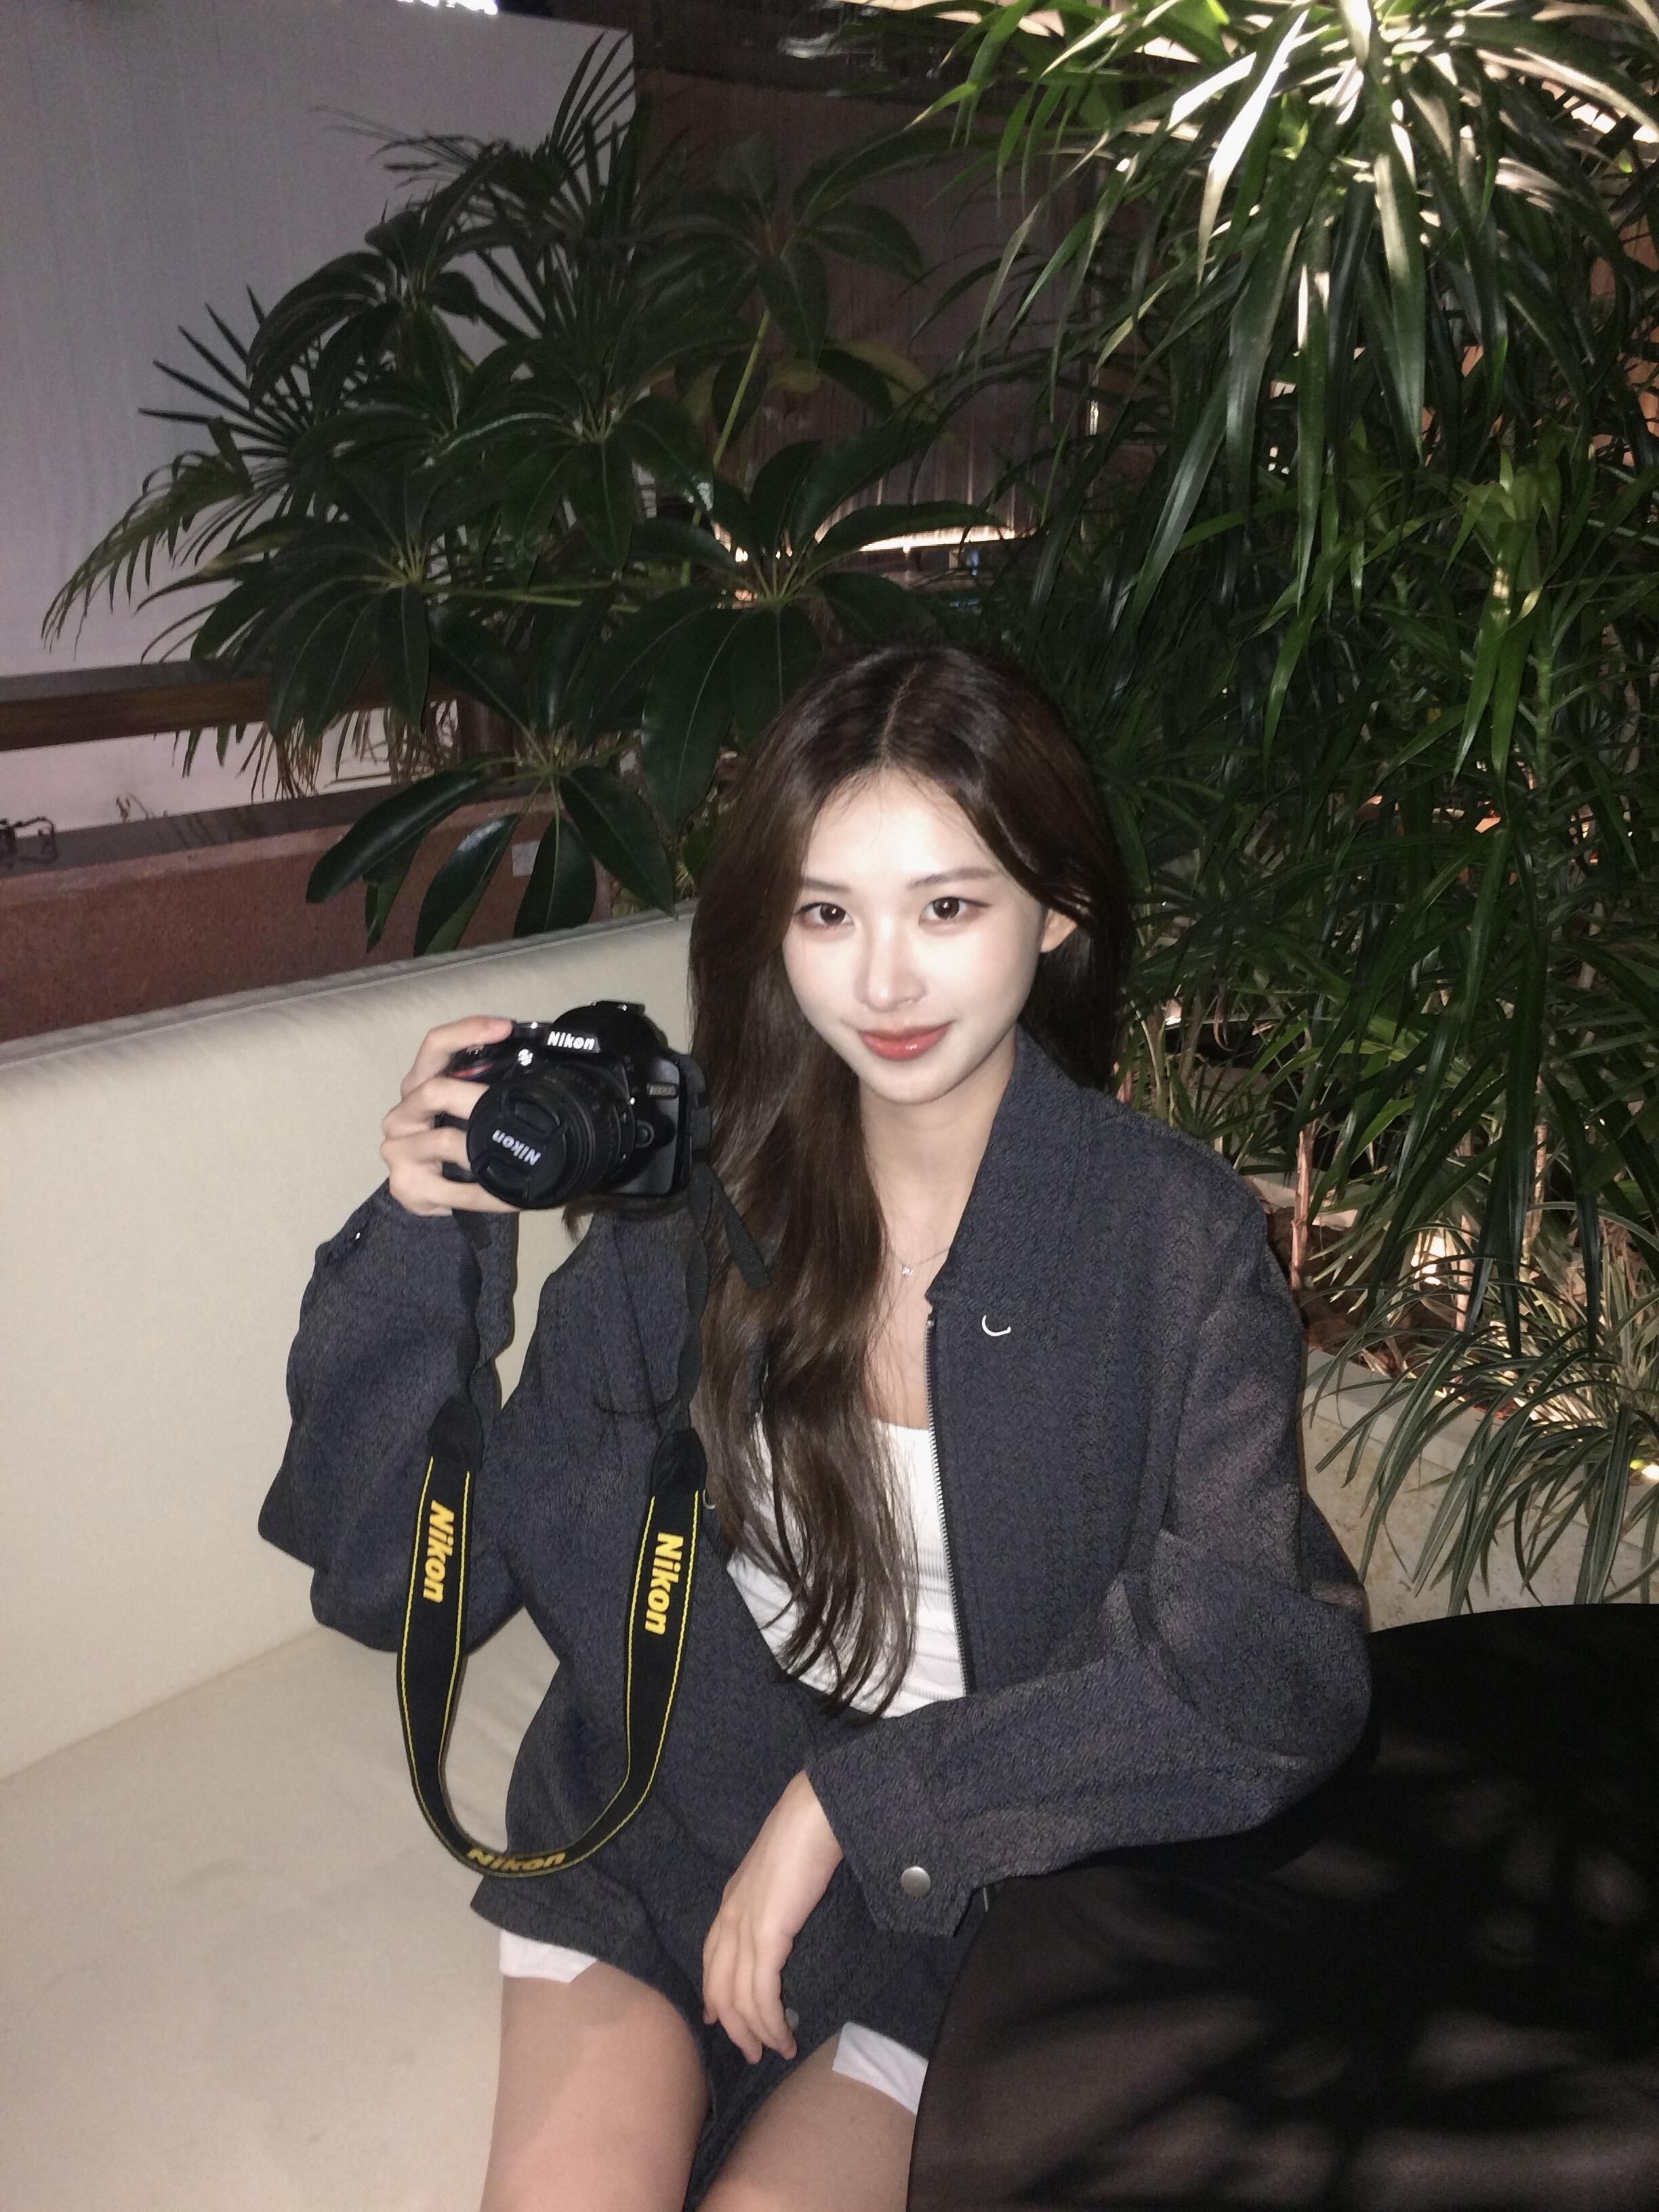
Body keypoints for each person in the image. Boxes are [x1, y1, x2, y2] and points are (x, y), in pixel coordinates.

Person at [262, 642, 1372, 2212]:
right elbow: (388, 1580)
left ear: (1057, 910)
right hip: (660, 1818)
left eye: (948, 908)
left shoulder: (1166, 1242)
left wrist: (864, 1801)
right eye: (828, 914)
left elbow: (1268, 1670)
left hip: (970, 1875)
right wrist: (425, 1239)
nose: (883, 985)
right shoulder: (695, 1212)